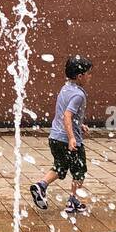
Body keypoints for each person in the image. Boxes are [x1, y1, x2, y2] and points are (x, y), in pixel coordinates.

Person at [31, 55, 91, 216]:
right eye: (88, 73)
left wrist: (80, 125)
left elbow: (65, 114)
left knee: (60, 166)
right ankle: (73, 200)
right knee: (79, 170)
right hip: (68, 140)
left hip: (54, 138)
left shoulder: (65, 88)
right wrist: (72, 137)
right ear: (80, 76)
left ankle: (41, 185)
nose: (89, 76)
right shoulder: (79, 94)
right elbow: (67, 116)